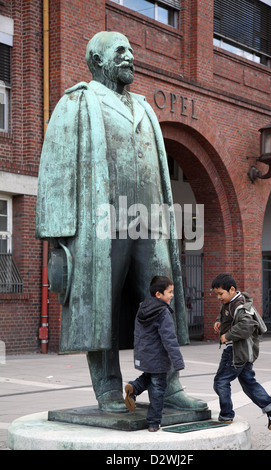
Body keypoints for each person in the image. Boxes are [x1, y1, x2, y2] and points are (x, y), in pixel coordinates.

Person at [36, 31, 207, 413]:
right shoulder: (77, 103)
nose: (130, 57)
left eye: (131, 51)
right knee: (102, 306)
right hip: (99, 226)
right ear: (97, 61)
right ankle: (109, 389)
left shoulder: (145, 107)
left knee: (161, 301)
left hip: (148, 221)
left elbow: (161, 172)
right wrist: (59, 239)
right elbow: (55, 171)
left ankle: (171, 384)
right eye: (120, 52)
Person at [211, 273, 271, 430]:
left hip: (236, 352)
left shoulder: (240, 305)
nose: (218, 297)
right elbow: (227, 315)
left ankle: (226, 415)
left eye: (220, 294)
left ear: (231, 289)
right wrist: (218, 321)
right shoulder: (230, 302)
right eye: (216, 294)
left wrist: (227, 336)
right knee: (248, 382)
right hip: (242, 352)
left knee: (220, 382)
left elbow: (246, 326)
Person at [124, 276, 185, 431]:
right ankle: (153, 422)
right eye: (169, 292)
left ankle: (134, 387)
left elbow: (138, 332)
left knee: (148, 377)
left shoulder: (143, 308)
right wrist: (178, 361)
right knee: (158, 389)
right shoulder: (163, 313)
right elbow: (169, 339)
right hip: (157, 358)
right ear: (159, 294)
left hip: (144, 355)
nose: (172, 295)